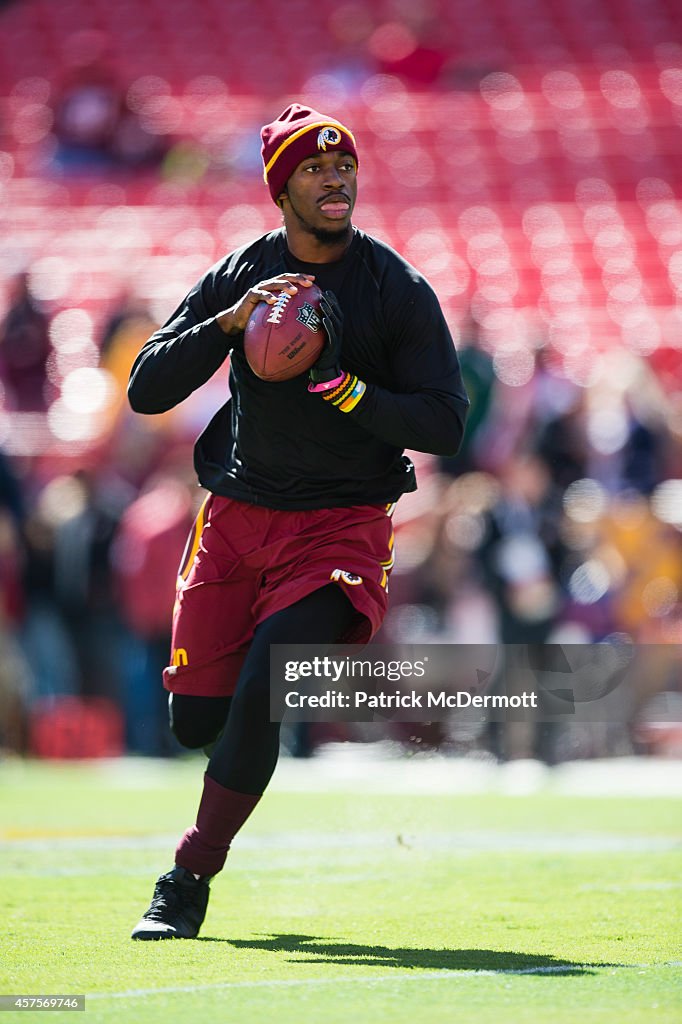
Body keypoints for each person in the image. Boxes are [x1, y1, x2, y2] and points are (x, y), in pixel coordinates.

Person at [127, 103, 469, 940]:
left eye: (343, 165)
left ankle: (188, 876)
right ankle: (234, 740)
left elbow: (447, 424)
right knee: (194, 723)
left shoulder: (396, 288)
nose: (336, 179)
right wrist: (226, 326)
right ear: (282, 186)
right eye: (315, 169)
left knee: (264, 693)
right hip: (239, 518)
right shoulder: (241, 272)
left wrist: (354, 393)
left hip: (339, 528)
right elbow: (144, 389)